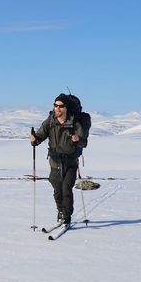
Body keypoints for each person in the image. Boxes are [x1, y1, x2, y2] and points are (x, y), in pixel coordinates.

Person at [30, 94, 88, 225]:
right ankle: (60, 211)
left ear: (66, 108)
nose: (58, 108)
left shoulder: (74, 122)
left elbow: (84, 143)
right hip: (55, 162)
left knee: (66, 189)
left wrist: (78, 140)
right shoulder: (50, 121)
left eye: (61, 106)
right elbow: (39, 137)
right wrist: (34, 139)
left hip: (71, 162)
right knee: (57, 190)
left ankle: (67, 216)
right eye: (55, 105)